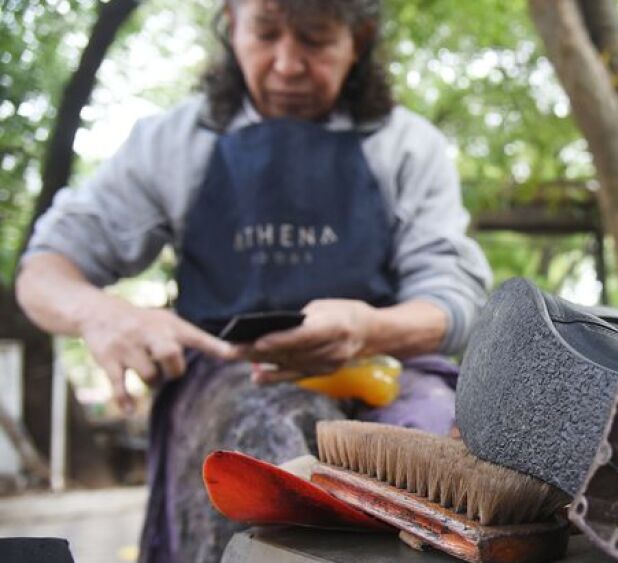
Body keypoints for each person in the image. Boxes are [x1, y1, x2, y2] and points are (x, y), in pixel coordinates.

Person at [14, 0, 491, 561]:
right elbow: (46, 268)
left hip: (386, 361)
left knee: (445, 452)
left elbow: (454, 300)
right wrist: (102, 315)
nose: (287, 64)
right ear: (231, 26)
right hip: (227, 369)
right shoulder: (173, 141)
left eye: (314, 39)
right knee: (265, 457)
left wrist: (371, 328)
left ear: (356, 41)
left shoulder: (407, 144)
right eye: (265, 34)